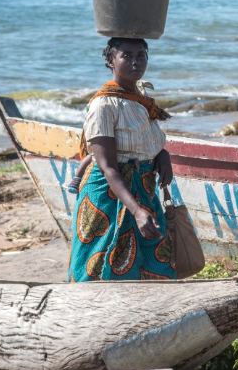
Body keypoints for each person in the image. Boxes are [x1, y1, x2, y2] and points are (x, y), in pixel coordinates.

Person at [68, 37, 177, 282]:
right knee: (98, 268)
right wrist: (137, 211)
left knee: (154, 264)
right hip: (108, 196)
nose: (135, 61)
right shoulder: (103, 105)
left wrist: (162, 153)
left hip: (143, 189)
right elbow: (108, 167)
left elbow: (143, 140)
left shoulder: (140, 98)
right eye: (126, 55)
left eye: (141, 55)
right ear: (110, 61)